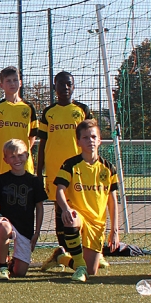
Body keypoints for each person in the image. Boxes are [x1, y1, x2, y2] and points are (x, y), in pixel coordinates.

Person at [53, 119, 119, 282]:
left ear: (100, 140)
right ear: (78, 142)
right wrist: (66, 209)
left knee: (92, 271)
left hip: (97, 222)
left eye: (94, 137)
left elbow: (112, 201)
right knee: (72, 218)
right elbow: (59, 190)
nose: (90, 140)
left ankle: (60, 257)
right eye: (85, 137)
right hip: (79, 215)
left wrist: (114, 230)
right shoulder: (70, 164)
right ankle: (80, 265)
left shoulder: (109, 168)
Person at [35, 71, 93, 256]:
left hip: (78, 170)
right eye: (61, 84)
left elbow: (92, 137)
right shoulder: (48, 112)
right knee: (60, 208)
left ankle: (84, 248)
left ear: (74, 86)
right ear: (55, 87)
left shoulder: (82, 110)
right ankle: (64, 251)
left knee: (81, 206)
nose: (65, 87)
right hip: (55, 169)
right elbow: (42, 143)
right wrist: (38, 171)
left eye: (69, 84)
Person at [0, 139, 47, 280]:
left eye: (20, 155)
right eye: (12, 156)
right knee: (5, 228)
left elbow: (39, 208)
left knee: (20, 273)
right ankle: (3, 266)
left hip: (25, 228)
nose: (17, 159)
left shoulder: (34, 181)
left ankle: (12, 263)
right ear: (5, 159)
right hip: (6, 222)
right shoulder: (1, 179)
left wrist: (37, 232)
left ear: (27, 156)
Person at [0, 66, 38, 177]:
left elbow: (32, 136)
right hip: (2, 161)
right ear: (1, 85)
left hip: (23, 162)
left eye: (15, 80)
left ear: (20, 83)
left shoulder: (28, 108)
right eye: (8, 81)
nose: (12, 83)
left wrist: (21, 152)